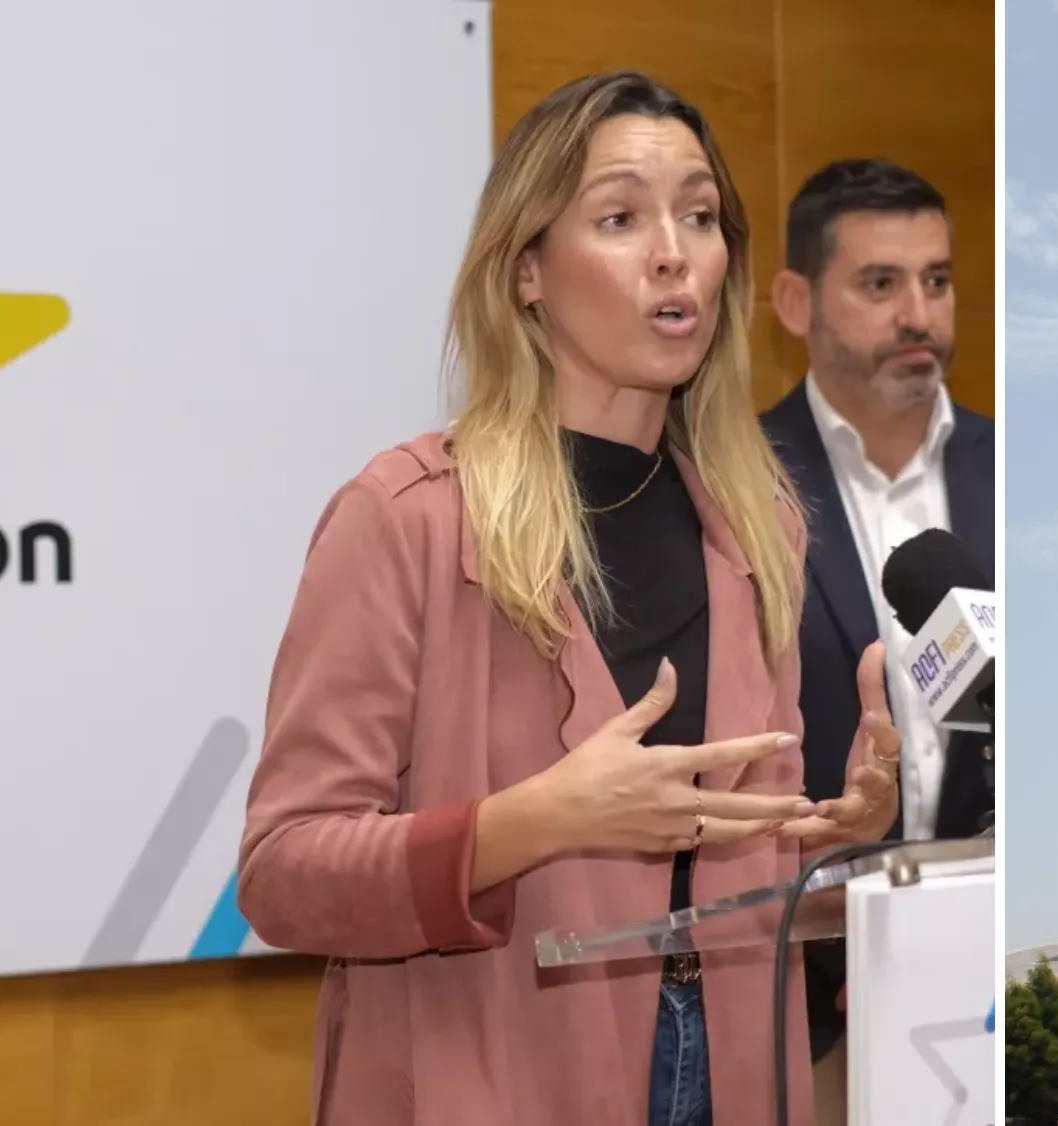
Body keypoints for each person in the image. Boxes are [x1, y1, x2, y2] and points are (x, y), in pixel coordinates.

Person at [234, 72, 900, 1126]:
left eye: (699, 215)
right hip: (486, 1079)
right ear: (529, 271)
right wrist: (527, 822)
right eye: (622, 217)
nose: (674, 252)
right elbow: (281, 874)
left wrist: (834, 834)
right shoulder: (406, 516)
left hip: (733, 1070)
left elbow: (694, 870)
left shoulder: (759, 528)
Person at [760, 159, 996, 1126]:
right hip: (813, 1017)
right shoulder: (726, 485)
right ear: (794, 301)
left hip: (989, 985)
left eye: (936, 281)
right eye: (880, 283)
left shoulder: (1020, 471)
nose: (919, 314)